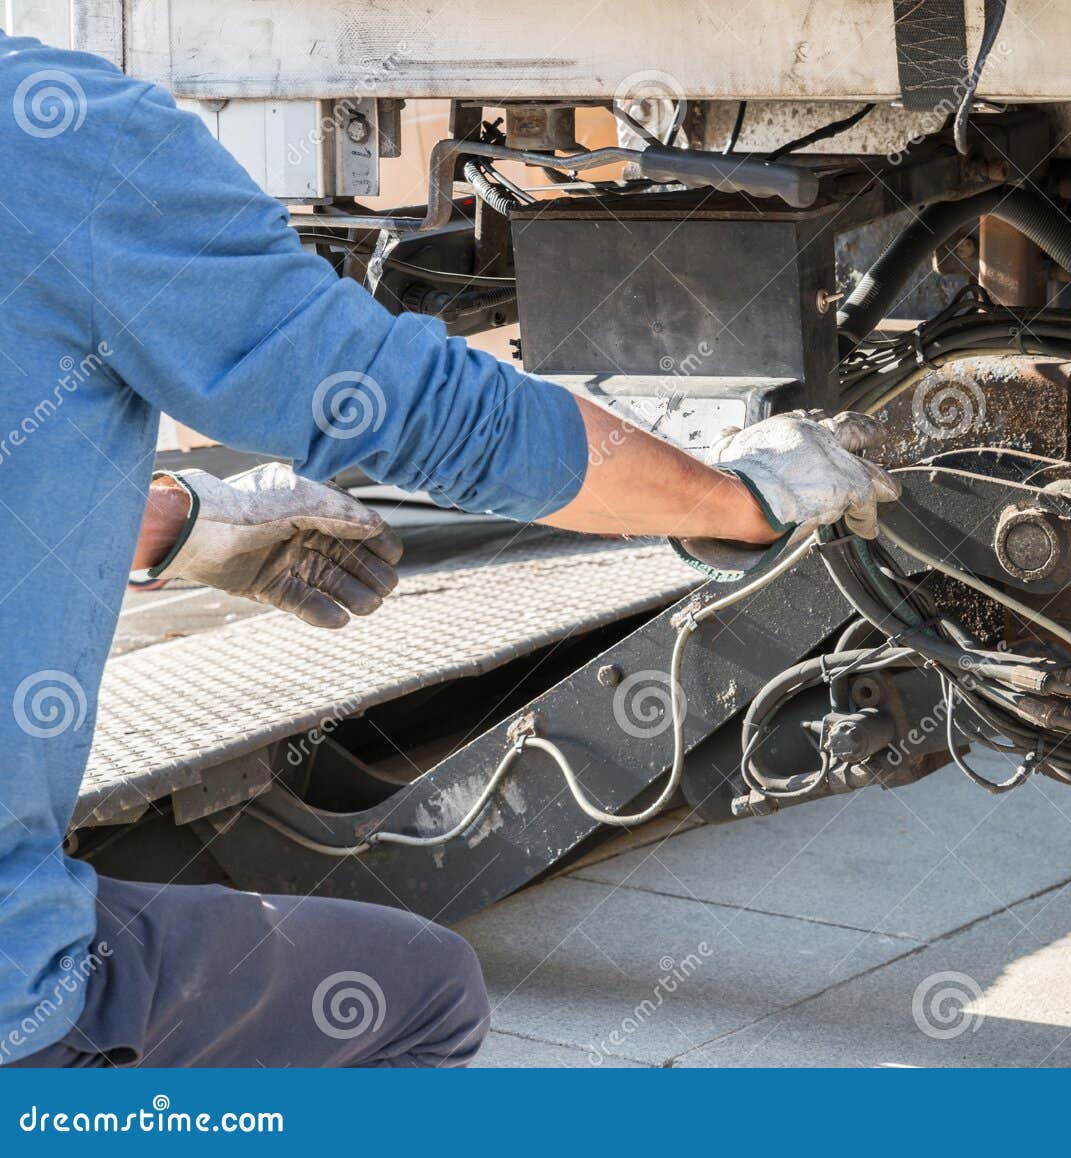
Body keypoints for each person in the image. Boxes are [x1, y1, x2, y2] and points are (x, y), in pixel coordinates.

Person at [0, 29, 898, 1066]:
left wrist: (170, 526)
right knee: (417, 997)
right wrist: (734, 499)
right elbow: (413, 407)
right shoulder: (47, 132)